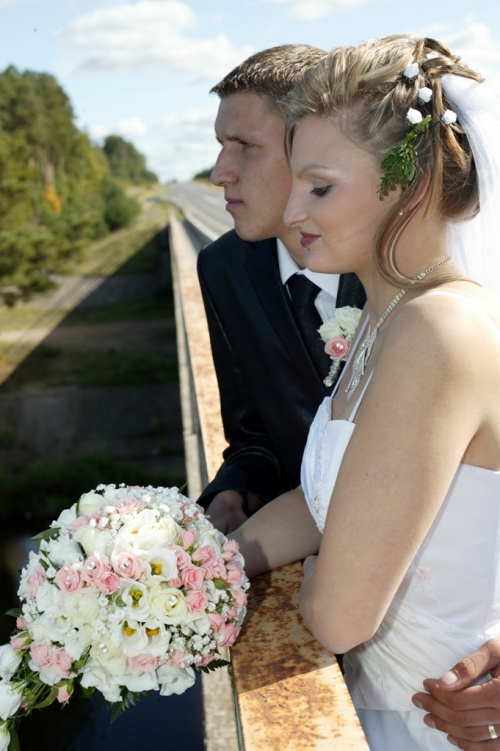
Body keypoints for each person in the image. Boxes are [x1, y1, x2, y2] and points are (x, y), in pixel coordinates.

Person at [229, 35, 500, 750]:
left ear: (409, 185)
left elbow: (340, 617)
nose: (292, 213)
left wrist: (307, 583)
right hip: (380, 700)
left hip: (434, 721)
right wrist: (204, 562)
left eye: (319, 187)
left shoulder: (436, 331)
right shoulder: (387, 319)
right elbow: (334, 503)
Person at [197, 44, 366, 534]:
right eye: (219, 144)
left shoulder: (393, 263)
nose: (218, 173)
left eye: (245, 145)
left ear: (310, 148)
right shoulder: (223, 266)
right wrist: (232, 494)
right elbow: (253, 435)